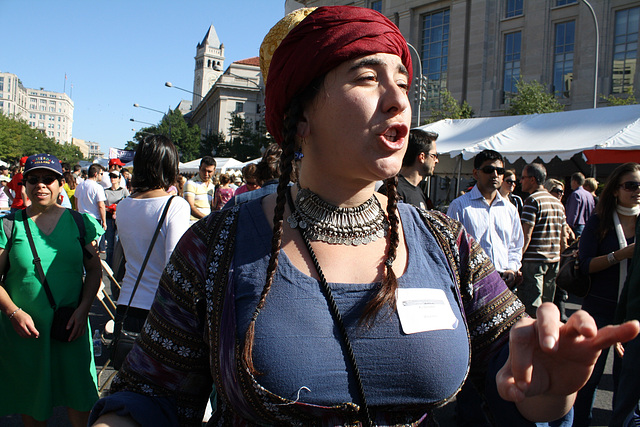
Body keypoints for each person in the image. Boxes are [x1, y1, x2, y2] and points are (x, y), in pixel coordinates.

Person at [89, 6, 639, 426]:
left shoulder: (446, 242)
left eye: (402, 82)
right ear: (300, 114)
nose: (399, 101)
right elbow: (151, 396)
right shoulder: (217, 246)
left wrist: (551, 385)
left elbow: (516, 365)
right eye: (367, 77)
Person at [0, 153, 103, 426]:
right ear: (25, 184)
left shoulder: (79, 223)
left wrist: (83, 311)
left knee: (79, 398)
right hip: (26, 336)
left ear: (61, 185)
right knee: (33, 404)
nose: (41, 185)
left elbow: (94, 270)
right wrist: (12, 313)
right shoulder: (10, 225)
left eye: (49, 179)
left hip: (71, 329)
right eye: (34, 179)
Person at [572, 163, 640, 426]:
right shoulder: (600, 220)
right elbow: (586, 265)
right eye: (631, 185)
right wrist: (619, 255)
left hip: (632, 313)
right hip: (599, 308)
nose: (636, 191)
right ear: (615, 190)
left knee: (628, 384)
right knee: (589, 378)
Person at [113, 135, 190, 335]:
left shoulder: (123, 206)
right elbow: (174, 267)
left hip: (127, 304)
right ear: (171, 165)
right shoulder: (175, 205)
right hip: (160, 309)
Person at [447, 150, 523, 288]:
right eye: (489, 170)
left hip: (504, 281)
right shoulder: (459, 206)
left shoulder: (510, 209)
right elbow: (451, 247)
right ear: (476, 173)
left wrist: (512, 269)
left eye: (500, 171)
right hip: (473, 284)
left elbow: (515, 246)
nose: (495, 175)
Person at [378, 128, 438, 209]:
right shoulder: (393, 190)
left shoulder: (419, 192)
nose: (436, 161)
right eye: (433, 156)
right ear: (422, 157)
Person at [224, 143, 283, 208]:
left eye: (255, 183)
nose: (253, 186)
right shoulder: (239, 194)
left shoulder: (238, 200)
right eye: (250, 183)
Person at [104, 170, 130, 267]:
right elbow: (102, 205)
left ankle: (118, 266)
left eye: (115, 177)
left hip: (120, 219)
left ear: (119, 178)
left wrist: (119, 207)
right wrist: (110, 209)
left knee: (118, 243)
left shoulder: (123, 191)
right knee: (110, 244)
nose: (112, 179)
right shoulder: (106, 191)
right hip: (109, 218)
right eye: (111, 177)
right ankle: (109, 265)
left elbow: (129, 203)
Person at [183, 156, 216, 223]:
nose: (206, 174)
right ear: (200, 168)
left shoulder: (212, 186)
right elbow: (190, 207)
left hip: (206, 225)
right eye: (204, 170)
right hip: (192, 224)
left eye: (209, 171)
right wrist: (207, 219)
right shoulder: (191, 183)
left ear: (214, 171)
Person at [566, 172, 595, 237]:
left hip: (577, 227)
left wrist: (568, 227)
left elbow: (573, 213)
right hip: (588, 226)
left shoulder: (575, 194)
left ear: (574, 181)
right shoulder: (589, 195)